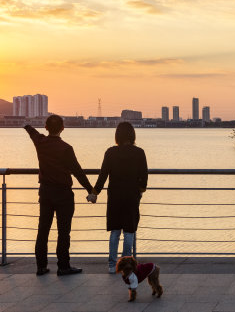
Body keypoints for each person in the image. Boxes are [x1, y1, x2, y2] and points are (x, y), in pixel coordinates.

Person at [25, 115, 97, 276]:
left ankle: (41, 267)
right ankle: (63, 266)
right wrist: (90, 190)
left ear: (46, 127)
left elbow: (32, 133)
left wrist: (27, 125)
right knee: (63, 232)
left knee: (43, 230)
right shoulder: (66, 148)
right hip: (63, 194)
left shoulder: (40, 142)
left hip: (45, 193)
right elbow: (78, 172)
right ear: (63, 128)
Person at [89, 122, 148, 273]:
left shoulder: (110, 152)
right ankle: (127, 263)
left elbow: (103, 176)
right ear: (132, 135)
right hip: (131, 196)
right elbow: (144, 176)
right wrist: (140, 191)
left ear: (117, 136)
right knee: (129, 230)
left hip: (114, 196)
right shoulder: (139, 152)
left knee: (115, 231)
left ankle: (112, 265)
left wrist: (94, 193)